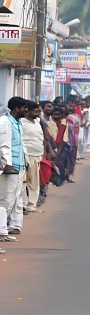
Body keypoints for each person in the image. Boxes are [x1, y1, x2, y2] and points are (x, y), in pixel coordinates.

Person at [0, 97, 28, 242]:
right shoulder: (5, 122)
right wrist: (6, 164)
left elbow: (19, 145)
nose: (26, 110)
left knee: (16, 200)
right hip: (10, 168)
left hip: (20, 166)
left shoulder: (17, 123)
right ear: (17, 108)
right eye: (24, 108)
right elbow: (4, 145)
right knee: (5, 201)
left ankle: (6, 229)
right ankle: (1, 231)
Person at [21, 101, 44, 213]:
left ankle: (31, 204)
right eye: (35, 111)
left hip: (36, 155)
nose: (38, 113)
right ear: (28, 111)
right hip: (25, 155)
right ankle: (23, 204)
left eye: (39, 111)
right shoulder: (21, 122)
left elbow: (44, 137)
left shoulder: (38, 122)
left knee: (34, 181)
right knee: (23, 182)